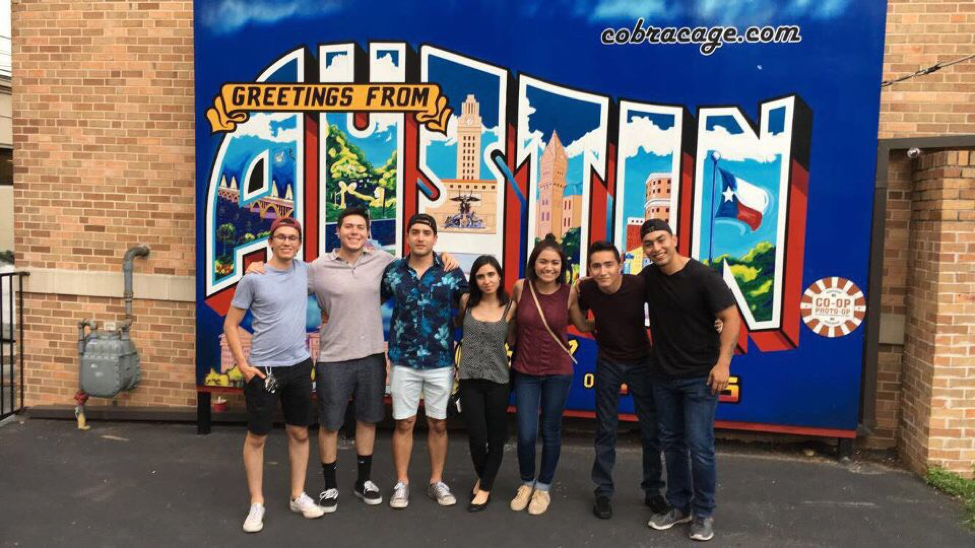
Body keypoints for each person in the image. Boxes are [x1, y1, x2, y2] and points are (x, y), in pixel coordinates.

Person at [246, 206, 458, 513]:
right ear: (338, 231)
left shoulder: (383, 262)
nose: (354, 232)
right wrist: (257, 267)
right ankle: (330, 486)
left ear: (368, 232)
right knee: (330, 424)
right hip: (333, 356)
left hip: (372, 354)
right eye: (348, 227)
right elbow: (285, 277)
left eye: (360, 227)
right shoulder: (318, 267)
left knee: (367, 419)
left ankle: (364, 481)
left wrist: (445, 256)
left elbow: (419, 259)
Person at [640, 219, 740, 542]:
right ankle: (680, 505)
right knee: (671, 444)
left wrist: (723, 363)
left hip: (700, 378)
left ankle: (704, 512)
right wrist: (584, 283)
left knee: (700, 448)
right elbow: (620, 291)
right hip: (663, 376)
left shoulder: (702, 277)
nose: (656, 248)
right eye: (649, 244)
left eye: (661, 240)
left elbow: (731, 318)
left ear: (675, 239)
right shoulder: (649, 277)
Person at [223, 217, 325, 533]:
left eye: (293, 238)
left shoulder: (305, 272)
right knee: (258, 436)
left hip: (297, 367)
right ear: (271, 241)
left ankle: (297, 495)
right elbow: (230, 324)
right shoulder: (254, 278)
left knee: (299, 433)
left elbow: (345, 266)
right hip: (263, 370)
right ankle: (257, 502)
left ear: (299, 243)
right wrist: (243, 364)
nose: (287, 242)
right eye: (280, 237)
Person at [381, 213, 469, 509]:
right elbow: (367, 300)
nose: (420, 237)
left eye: (426, 232)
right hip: (403, 359)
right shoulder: (393, 272)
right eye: (415, 232)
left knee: (439, 424)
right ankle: (402, 482)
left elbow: (472, 304)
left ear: (435, 238)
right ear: (407, 236)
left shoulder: (451, 272)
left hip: (440, 360)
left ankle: (436, 481)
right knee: (404, 422)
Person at [576, 240, 666, 520]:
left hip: (642, 361)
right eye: (596, 266)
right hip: (608, 362)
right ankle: (603, 491)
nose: (602, 271)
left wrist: (713, 320)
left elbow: (674, 306)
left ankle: (653, 490)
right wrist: (579, 300)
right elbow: (578, 320)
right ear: (589, 269)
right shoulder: (587, 288)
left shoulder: (638, 286)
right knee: (605, 428)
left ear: (621, 264)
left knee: (651, 429)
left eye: (608, 265)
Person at [508, 234, 589, 516]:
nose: (549, 267)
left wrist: (614, 314)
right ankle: (527, 482)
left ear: (562, 266)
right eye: (543, 261)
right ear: (534, 263)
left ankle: (543, 487)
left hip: (558, 371)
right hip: (525, 370)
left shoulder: (569, 292)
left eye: (555, 262)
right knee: (527, 433)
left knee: (551, 430)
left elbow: (582, 324)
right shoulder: (521, 288)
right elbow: (506, 324)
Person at [456, 255, 516, 512]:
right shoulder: (467, 301)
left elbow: (514, 341)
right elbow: (460, 326)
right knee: (477, 437)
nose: (486, 280)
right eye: (480, 276)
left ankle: (485, 487)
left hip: (498, 380)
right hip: (469, 378)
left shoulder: (511, 307)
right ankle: (484, 477)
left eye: (491, 274)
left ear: (500, 276)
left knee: (496, 436)